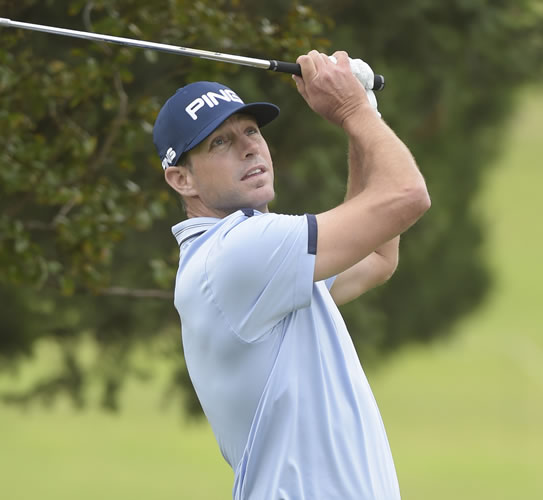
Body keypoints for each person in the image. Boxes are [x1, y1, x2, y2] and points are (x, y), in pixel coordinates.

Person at [152, 50, 430, 500]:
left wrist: (362, 116)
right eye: (219, 142)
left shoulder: (256, 261)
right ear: (182, 180)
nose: (248, 147)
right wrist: (353, 110)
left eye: (250, 131)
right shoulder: (238, 252)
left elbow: (378, 255)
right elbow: (407, 196)